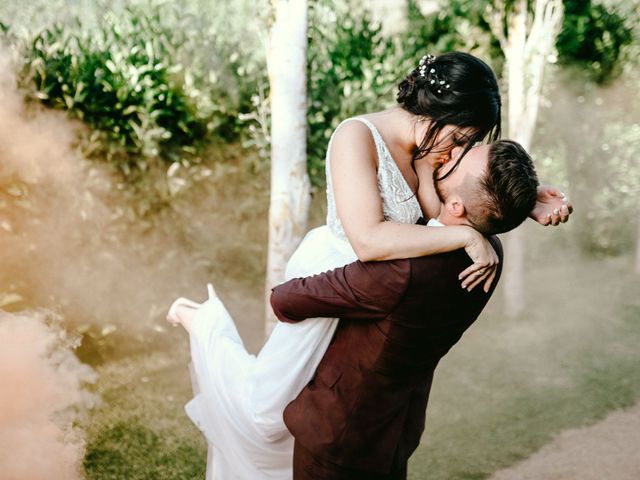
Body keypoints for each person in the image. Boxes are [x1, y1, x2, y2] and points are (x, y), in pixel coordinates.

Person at [167, 52, 571, 479]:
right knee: (266, 414)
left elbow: (465, 197)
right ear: (440, 113)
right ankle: (204, 322)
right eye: (464, 135)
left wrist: (525, 200)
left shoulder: (434, 149)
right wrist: (467, 235)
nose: (462, 148)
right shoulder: (356, 137)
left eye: (472, 141)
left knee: (304, 418)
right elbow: (369, 240)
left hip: (372, 299)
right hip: (336, 271)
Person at [269, 144, 537, 479]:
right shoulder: (490, 252)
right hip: (398, 426)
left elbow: (286, 299)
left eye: (459, 158)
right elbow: (481, 204)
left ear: (456, 206)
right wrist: (530, 202)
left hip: (341, 434)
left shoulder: (405, 269)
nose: (451, 152)